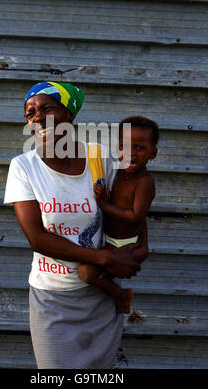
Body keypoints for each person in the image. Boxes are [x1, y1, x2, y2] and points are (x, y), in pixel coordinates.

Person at [3, 81, 147, 369]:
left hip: (101, 292)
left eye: (47, 109)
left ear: (69, 114)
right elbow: (37, 238)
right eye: (30, 113)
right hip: (52, 297)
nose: (38, 118)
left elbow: (130, 205)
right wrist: (104, 256)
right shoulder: (23, 167)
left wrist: (138, 248)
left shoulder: (99, 157)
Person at [77, 116, 159, 313]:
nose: (131, 153)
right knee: (91, 272)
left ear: (153, 153)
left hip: (127, 246)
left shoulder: (144, 182)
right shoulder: (116, 173)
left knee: (86, 273)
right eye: (125, 146)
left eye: (139, 148)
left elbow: (136, 216)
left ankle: (122, 296)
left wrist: (105, 205)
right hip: (108, 241)